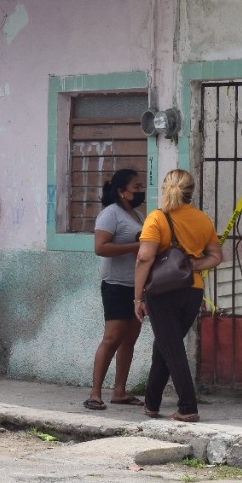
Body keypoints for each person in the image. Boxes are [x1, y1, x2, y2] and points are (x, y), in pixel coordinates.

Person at [133, 169, 223, 423]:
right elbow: (216, 257)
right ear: (191, 192)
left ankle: (188, 407)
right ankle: (151, 403)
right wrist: (190, 266)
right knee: (163, 345)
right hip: (192, 291)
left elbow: (144, 258)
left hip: (162, 292)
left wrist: (138, 298)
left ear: (165, 189)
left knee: (171, 347)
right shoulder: (202, 220)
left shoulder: (157, 218)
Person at [85, 169, 146, 411]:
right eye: (136, 187)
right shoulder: (110, 215)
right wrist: (135, 246)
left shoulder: (137, 216)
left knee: (129, 339)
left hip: (135, 287)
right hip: (116, 285)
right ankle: (95, 393)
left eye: (142, 186)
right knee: (111, 338)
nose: (141, 191)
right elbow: (100, 248)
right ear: (122, 191)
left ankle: (119, 391)